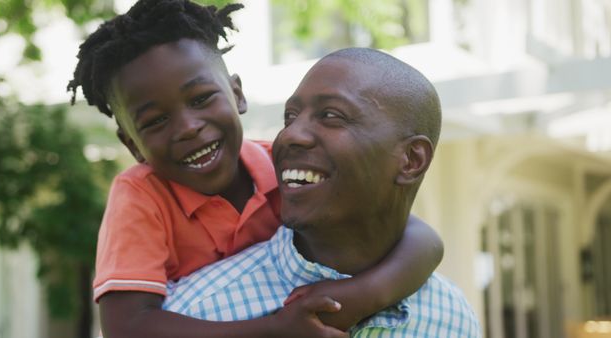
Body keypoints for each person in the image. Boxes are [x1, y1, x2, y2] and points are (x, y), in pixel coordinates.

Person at [67, 1, 444, 337]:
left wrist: (358, 297)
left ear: (237, 94)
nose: (188, 128)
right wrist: (274, 329)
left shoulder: (289, 165)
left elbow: (424, 241)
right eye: (155, 121)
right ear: (132, 144)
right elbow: (127, 327)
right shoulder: (140, 197)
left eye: (201, 99)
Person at [163, 47, 482, 337]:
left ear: (411, 160)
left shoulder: (452, 318)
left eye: (331, 115)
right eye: (290, 117)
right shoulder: (197, 313)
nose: (289, 136)